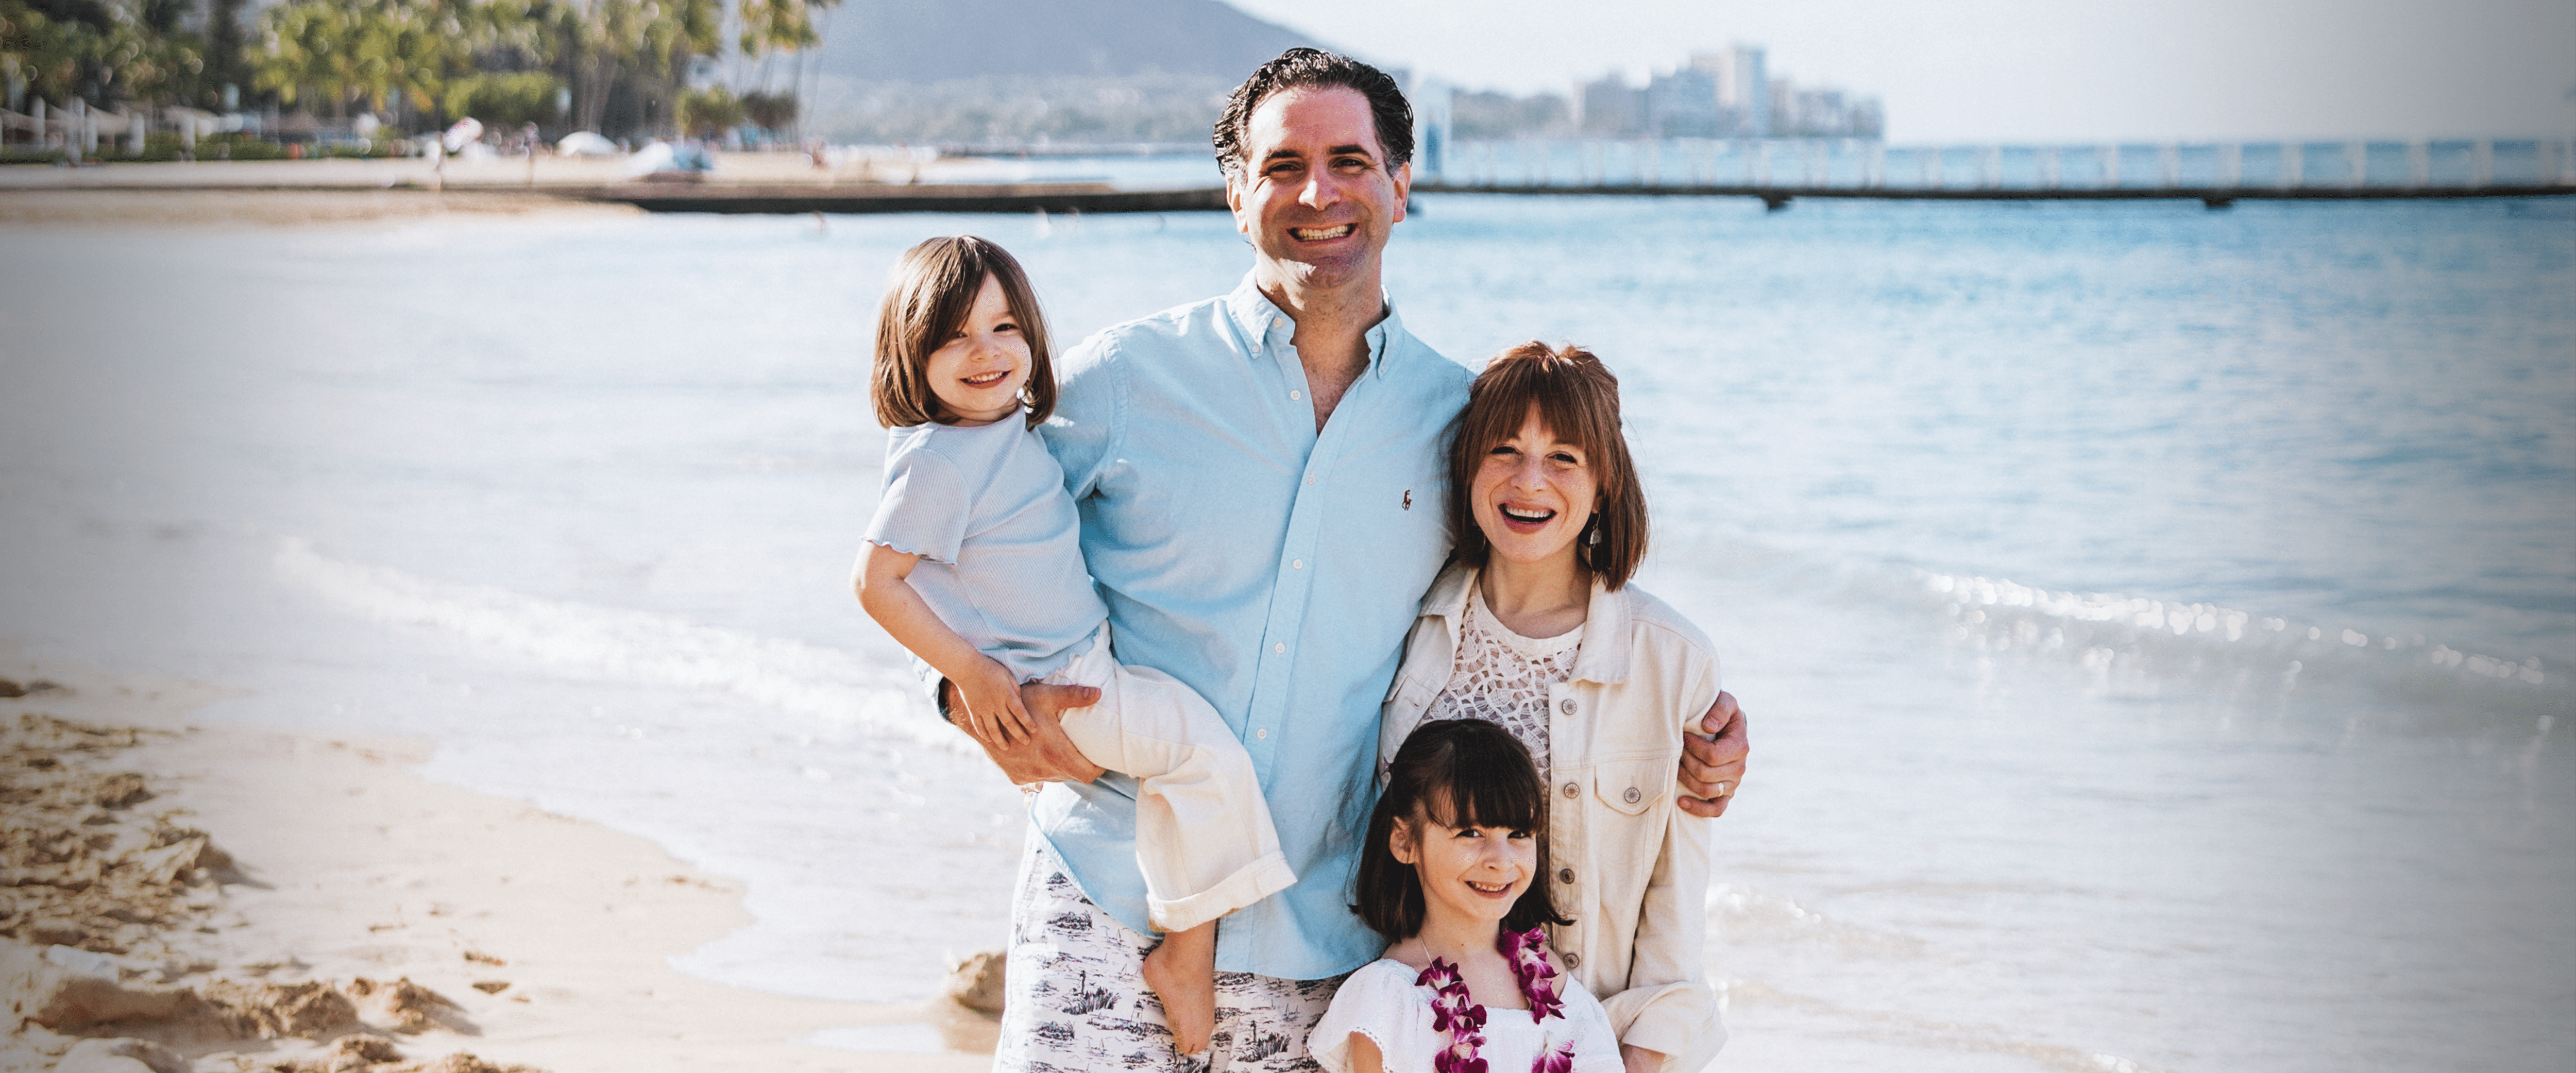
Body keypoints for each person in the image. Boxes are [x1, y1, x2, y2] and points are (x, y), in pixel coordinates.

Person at [931, 48, 1749, 1072]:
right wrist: (964, 694)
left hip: (1320, 945)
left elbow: (1539, 585)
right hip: (1106, 894)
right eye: (1283, 167)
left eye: (1350, 162)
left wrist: (1688, 722)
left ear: (1400, 188)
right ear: (1237, 196)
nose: (1318, 193)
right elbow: (959, 531)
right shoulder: (1127, 377)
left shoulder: (1453, 419)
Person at [852, 235, 1297, 1051]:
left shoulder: (1006, 431)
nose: (986, 352)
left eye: (1005, 328)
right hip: (1064, 685)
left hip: (1085, 662)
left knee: (1181, 762)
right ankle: (1187, 952)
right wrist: (971, 675)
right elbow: (876, 581)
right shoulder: (939, 460)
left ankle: (1182, 925)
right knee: (1206, 755)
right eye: (954, 336)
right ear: (909, 352)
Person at [1378, 343, 1723, 1073]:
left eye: (1564, 457)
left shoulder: (1671, 660)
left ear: (1603, 486)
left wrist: (1639, 1059)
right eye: (1504, 449)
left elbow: (1676, 911)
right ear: (1468, 466)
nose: (1529, 479)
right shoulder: (1403, 625)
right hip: (1422, 1036)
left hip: (1584, 1045)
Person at [1308, 718, 1624, 1073]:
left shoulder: (1550, 981)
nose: (1501, 860)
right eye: (1471, 833)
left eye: (1519, 833)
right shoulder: (1391, 999)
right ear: (1405, 841)